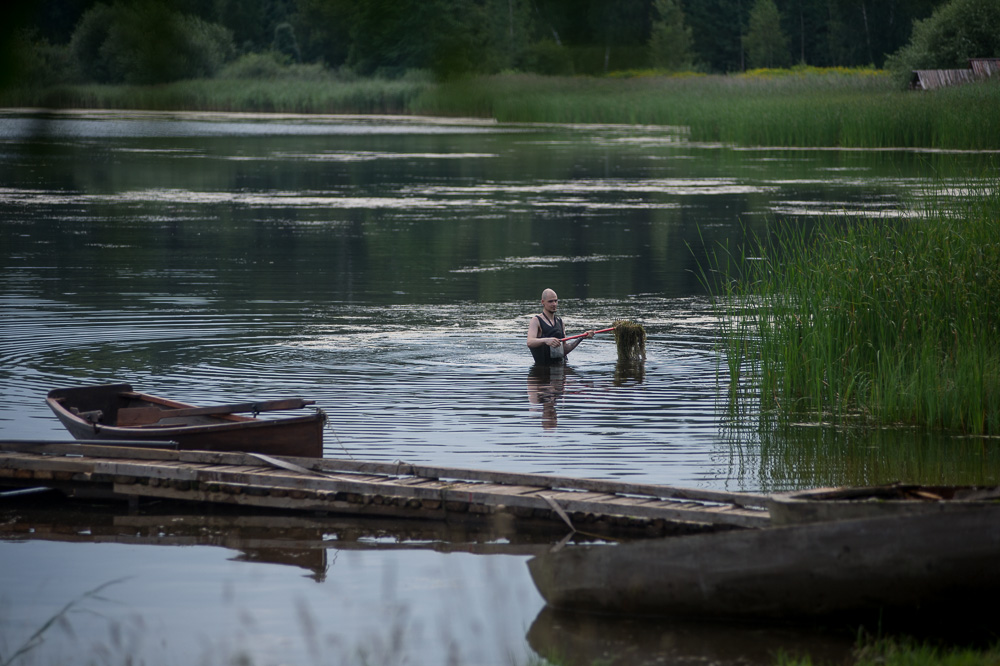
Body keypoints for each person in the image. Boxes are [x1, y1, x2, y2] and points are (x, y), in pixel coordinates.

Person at [526, 288, 593, 365]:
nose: (554, 304)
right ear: (543, 302)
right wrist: (546, 340)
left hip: (560, 368)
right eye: (550, 301)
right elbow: (530, 342)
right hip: (542, 369)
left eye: (555, 301)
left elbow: (564, 349)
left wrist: (582, 337)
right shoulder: (536, 320)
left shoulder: (560, 322)